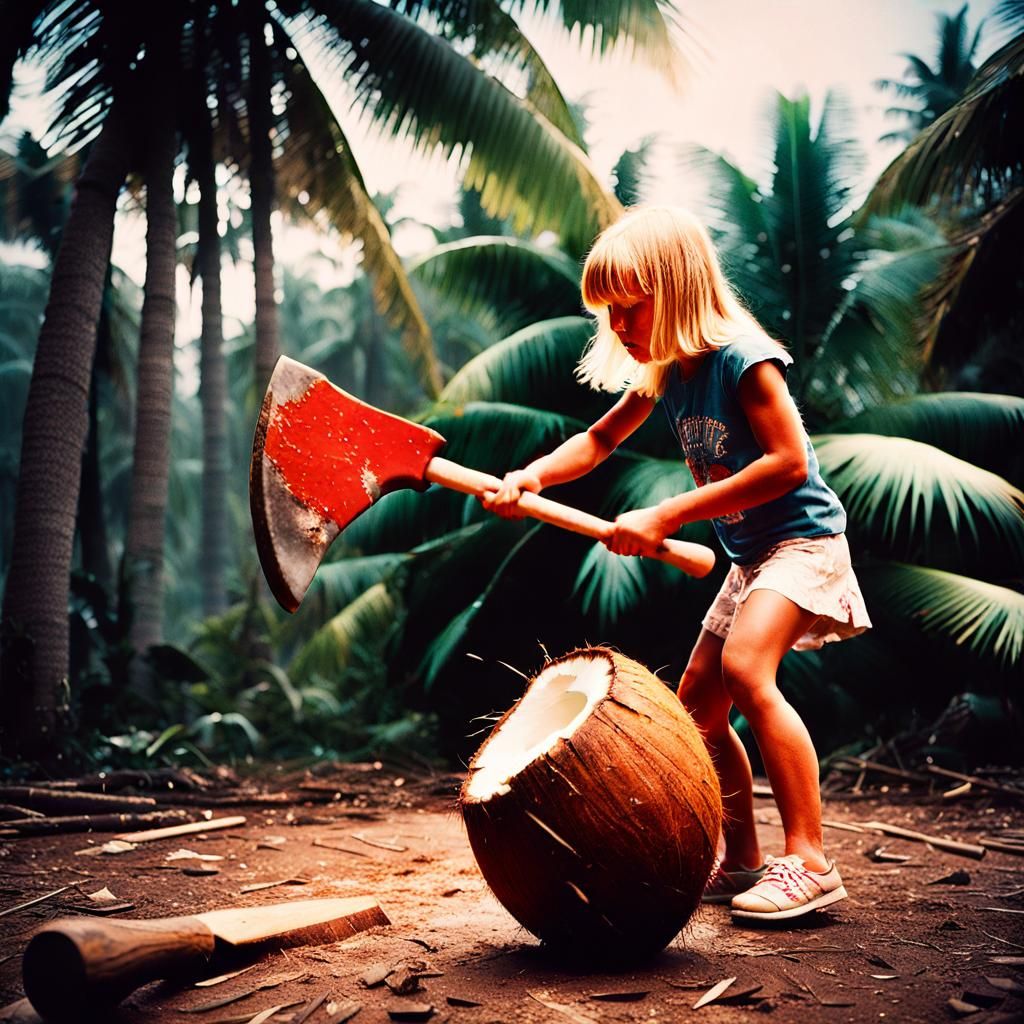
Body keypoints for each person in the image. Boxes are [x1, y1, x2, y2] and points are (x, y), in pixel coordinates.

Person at [483, 205, 871, 922]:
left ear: (680, 290)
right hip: (749, 556)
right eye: (611, 315)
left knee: (747, 672)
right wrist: (531, 478)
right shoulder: (665, 371)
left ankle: (810, 860)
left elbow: (789, 465)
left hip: (804, 541)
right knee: (699, 706)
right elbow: (597, 442)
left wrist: (666, 514)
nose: (621, 328)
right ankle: (746, 860)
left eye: (630, 309)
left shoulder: (742, 360)